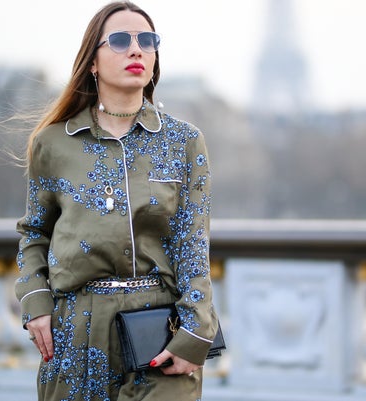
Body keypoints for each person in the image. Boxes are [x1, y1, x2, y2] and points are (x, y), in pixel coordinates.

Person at [14, 2, 219, 400]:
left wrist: (196, 331)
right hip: (74, 334)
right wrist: (35, 301)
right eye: (121, 40)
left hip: (160, 332)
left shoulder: (184, 142)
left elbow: (192, 243)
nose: (137, 49)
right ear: (93, 60)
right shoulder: (53, 143)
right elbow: (34, 232)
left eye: (148, 40)